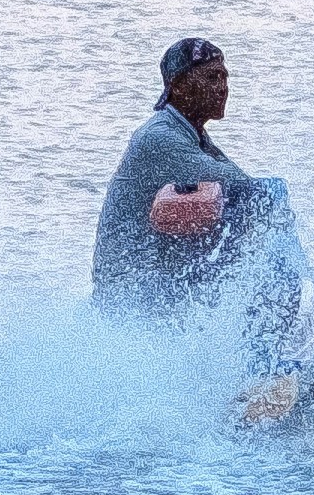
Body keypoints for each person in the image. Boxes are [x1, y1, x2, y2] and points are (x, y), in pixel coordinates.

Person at [91, 36, 277, 301]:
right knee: (261, 198)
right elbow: (244, 186)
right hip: (129, 289)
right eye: (212, 78)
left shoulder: (191, 133)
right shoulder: (160, 138)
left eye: (224, 78)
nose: (223, 88)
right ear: (178, 86)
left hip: (153, 279)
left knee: (247, 205)